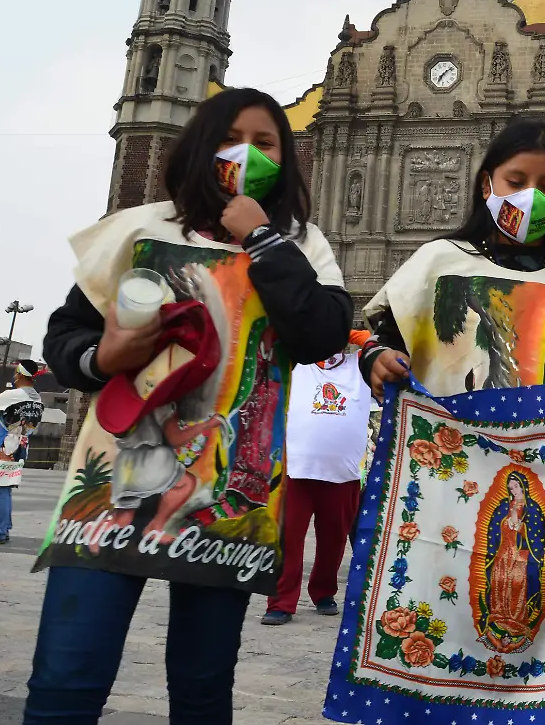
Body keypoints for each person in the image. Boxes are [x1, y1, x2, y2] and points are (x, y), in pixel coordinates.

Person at [28, 88, 350, 725]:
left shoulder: (300, 245)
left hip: (227, 495)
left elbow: (322, 332)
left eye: (266, 143)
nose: (247, 153)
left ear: (286, 161)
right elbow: (66, 337)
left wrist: (260, 238)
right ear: (202, 145)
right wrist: (104, 355)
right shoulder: (140, 228)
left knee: (202, 685)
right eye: (232, 138)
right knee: (67, 674)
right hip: (113, 482)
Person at [361, 119, 545, 399]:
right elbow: (381, 345)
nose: (531, 197)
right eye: (516, 183)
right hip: (445, 438)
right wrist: (378, 362)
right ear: (486, 185)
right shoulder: (437, 261)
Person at [262, 329, 373, 625]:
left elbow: (381, 347)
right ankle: (281, 602)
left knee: (334, 541)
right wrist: (314, 325)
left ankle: (323, 592)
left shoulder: (359, 367)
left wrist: (350, 332)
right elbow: (274, 337)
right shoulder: (298, 365)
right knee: (288, 539)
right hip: (297, 471)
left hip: (344, 474)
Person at [0, 362, 45, 545]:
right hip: (19, 448)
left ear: (20, 375)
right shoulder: (37, 399)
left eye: (15, 373)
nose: (14, 377)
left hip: (1, 449)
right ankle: (3, 529)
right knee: (3, 488)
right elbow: (11, 413)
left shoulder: (12, 395)